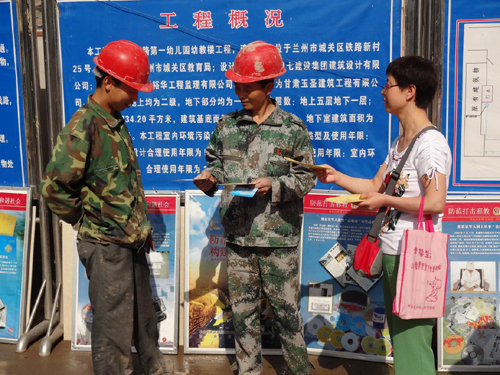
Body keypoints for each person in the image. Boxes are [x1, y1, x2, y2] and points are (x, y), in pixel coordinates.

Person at [313, 56, 452, 375]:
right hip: (394, 252)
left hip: (413, 257)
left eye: (388, 85)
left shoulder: (429, 145)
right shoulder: (401, 143)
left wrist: (384, 199)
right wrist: (335, 176)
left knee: (412, 342)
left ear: (409, 91)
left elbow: (435, 202)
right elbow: (375, 185)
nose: (382, 91)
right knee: (403, 339)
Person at [40, 40, 172, 375]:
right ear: (108, 83)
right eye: (131, 89)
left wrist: (141, 228)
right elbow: (54, 188)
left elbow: (124, 185)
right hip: (105, 246)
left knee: (145, 320)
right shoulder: (83, 127)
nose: (136, 98)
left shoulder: (113, 121)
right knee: (113, 332)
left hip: (131, 243)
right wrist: (86, 221)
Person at [194, 41, 316, 375]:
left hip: (279, 240)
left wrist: (274, 185)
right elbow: (217, 165)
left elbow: (306, 178)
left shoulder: (292, 129)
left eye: (248, 87)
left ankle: (298, 370)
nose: (240, 93)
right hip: (239, 239)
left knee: (286, 314)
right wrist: (209, 178)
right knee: (244, 314)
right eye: (237, 85)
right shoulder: (227, 127)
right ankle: (249, 370)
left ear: (269, 86)